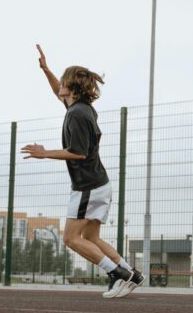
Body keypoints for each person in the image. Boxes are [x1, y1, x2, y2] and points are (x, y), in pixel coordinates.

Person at [21, 46, 142, 299]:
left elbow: (78, 152)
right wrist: (46, 70)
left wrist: (45, 153)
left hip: (88, 186)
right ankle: (133, 273)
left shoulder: (77, 114)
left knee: (71, 239)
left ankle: (118, 274)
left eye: (64, 80)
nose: (60, 84)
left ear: (72, 87)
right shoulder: (79, 106)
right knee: (91, 237)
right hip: (99, 183)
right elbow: (57, 92)